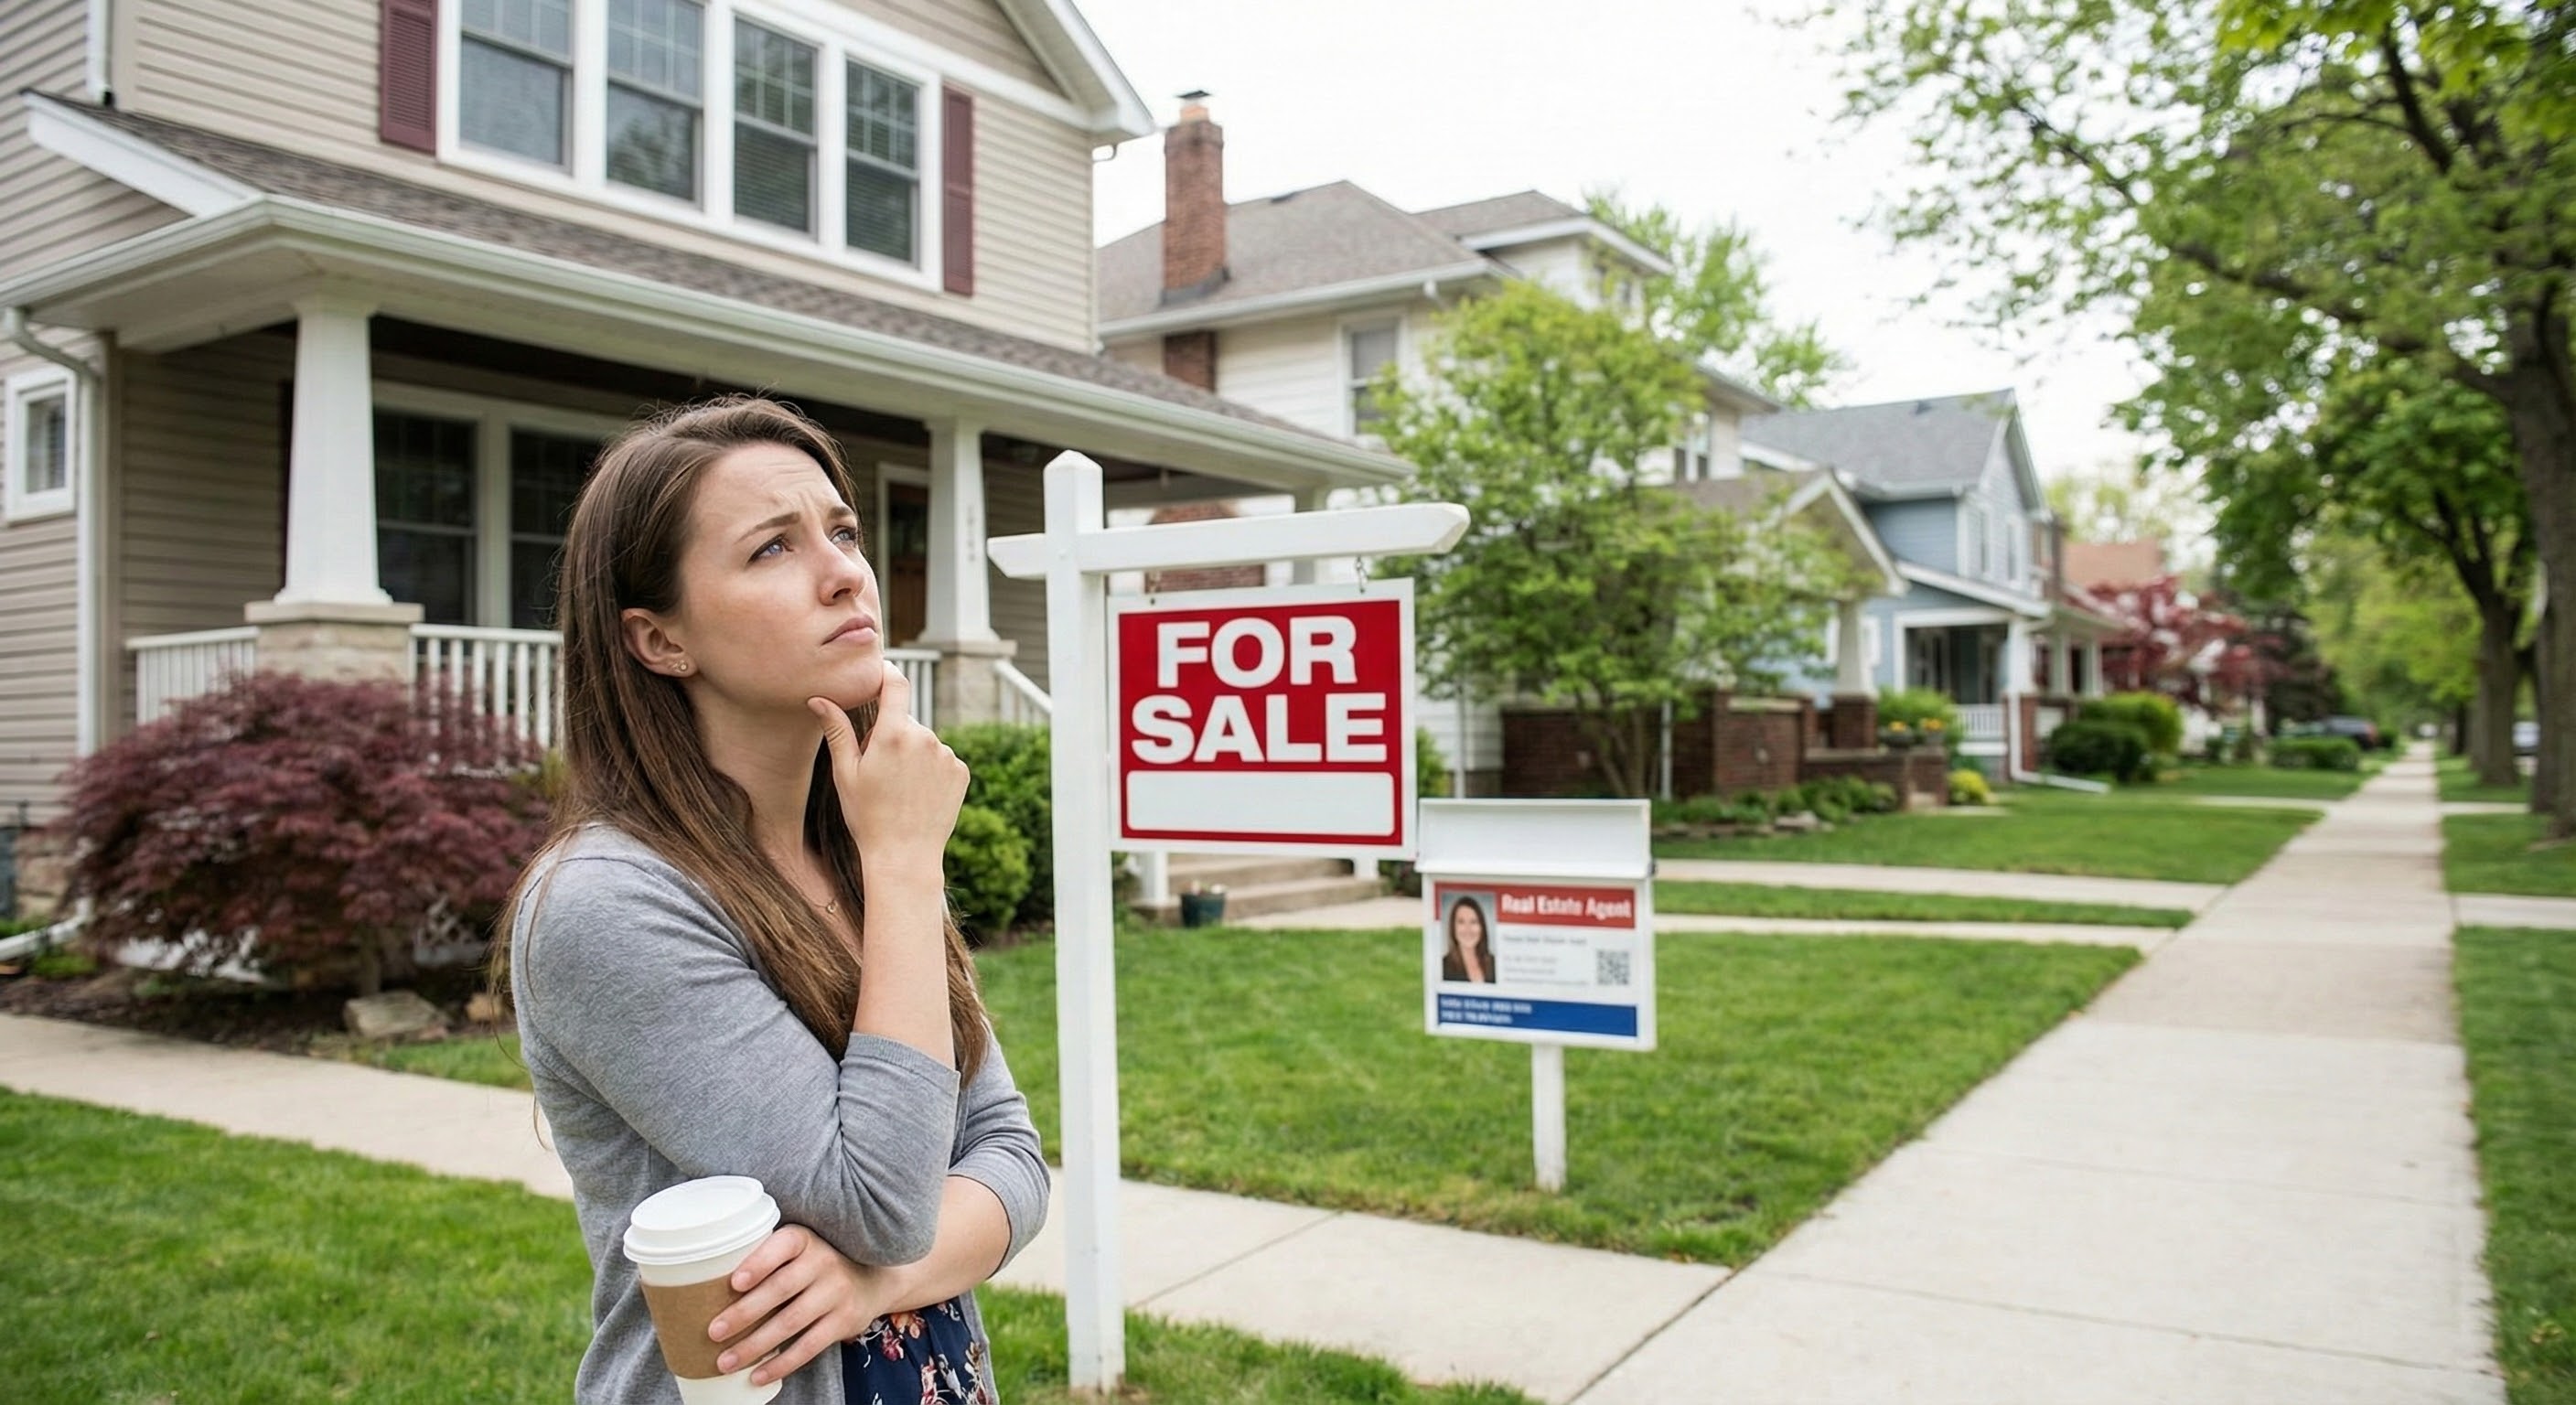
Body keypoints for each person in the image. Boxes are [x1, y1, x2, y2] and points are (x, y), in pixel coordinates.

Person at [495, 397, 1047, 1404]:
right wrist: (906, 867)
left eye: (841, 530)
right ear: (660, 641)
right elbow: (881, 1200)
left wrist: (874, 1283)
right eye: (770, 550)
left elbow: (1010, 1156)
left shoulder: (858, 845)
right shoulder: (608, 905)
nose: (845, 571)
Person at [1441, 895, 1497, 983]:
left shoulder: (1495, 964)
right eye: (1461, 922)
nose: (1468, 929)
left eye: (1474, 922)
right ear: (1453, 927)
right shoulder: (1442, 967)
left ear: (1482, 927)